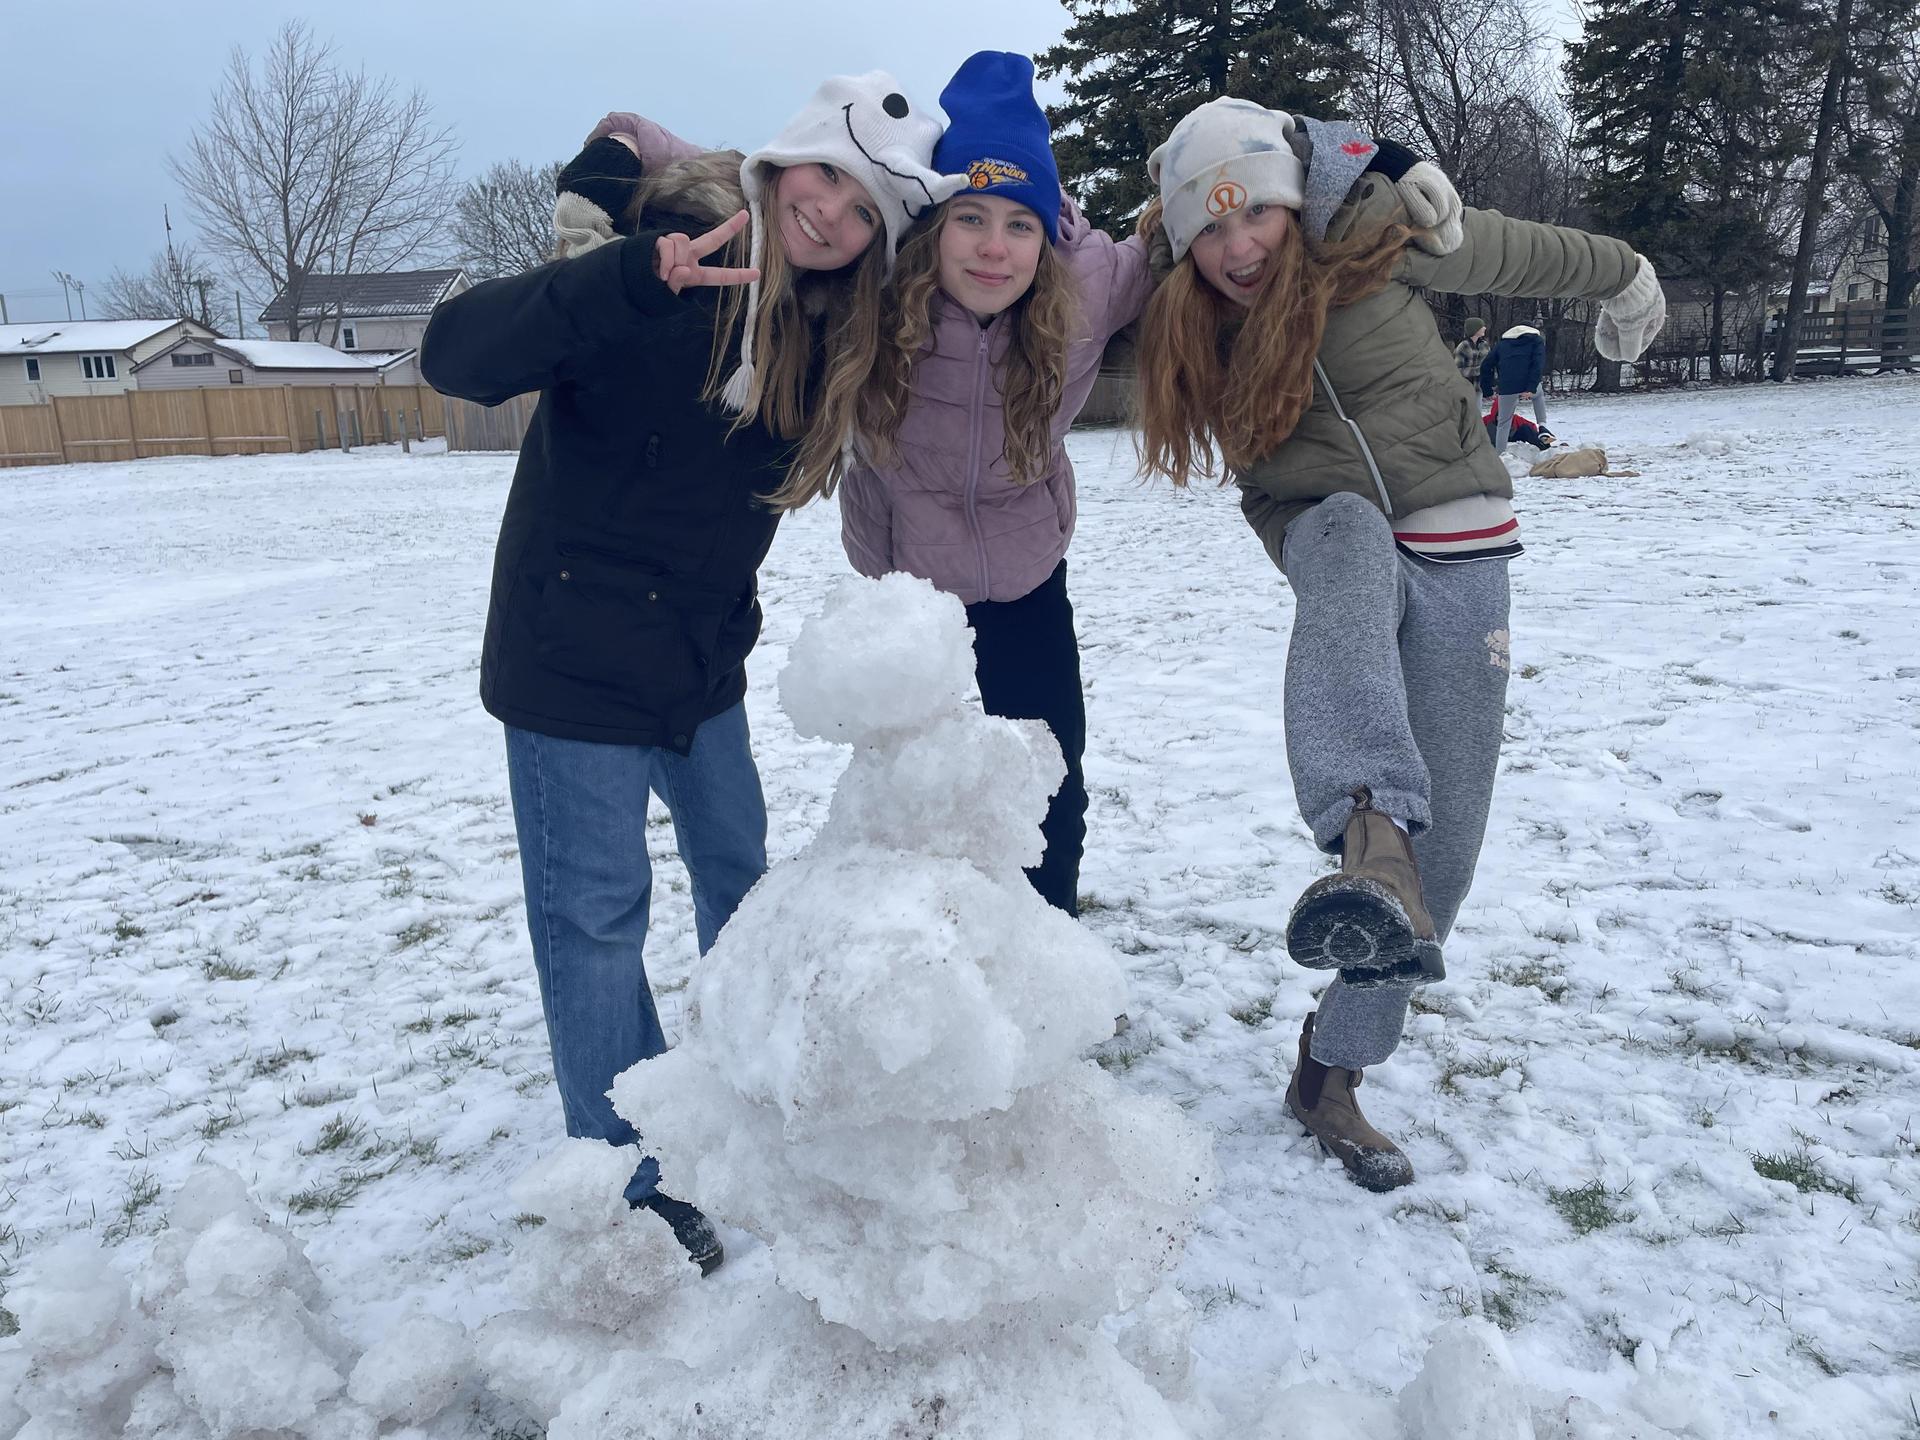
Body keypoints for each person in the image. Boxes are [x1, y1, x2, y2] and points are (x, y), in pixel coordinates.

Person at [602, 63, 1463, 922]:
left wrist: (1381, 156)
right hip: (905, 596)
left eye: (1020, 223)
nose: (992, 246)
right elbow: (762, 177)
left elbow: (1228, 174)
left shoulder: (1095, 282)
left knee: (1051, 789)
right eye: (970, 218)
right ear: (934, 221)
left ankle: (1045, 955)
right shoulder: (877, 270)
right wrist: (619, 148)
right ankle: (925, 965)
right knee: (912, 795)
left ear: (1049, 232)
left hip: (1025, 585)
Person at [420, 74, 960, 1274]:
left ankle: (746, 1080)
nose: (833, 214)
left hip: (698, 670)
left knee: (740, 878)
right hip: (571, 668)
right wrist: (621, 270)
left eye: (867, 208)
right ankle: (630, 1174)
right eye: (826, 176)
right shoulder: (655, 259)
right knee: (597, 922)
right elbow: (455, 357)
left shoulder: (830, 332)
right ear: (784, 163)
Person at [1132, 96, 1664, 1190]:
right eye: (1209, 229)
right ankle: (1366, 827)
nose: (1238, 249)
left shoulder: (1383, 228)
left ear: (1290, 201)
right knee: (1346, 533)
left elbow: (1527, 249)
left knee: (1442, 878)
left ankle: (1331, 1067)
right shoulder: (1181, 312)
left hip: (1464, 541)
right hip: (1328, 532)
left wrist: (1629, 274)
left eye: (1256, 217)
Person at [1480, 320, 1555, 451]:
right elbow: (1537, 364)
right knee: (1538, 396)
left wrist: (1487, 391)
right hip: (1527, 383)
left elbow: (1486, 366)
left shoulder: (1502, 344)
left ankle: (1501, 455)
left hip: (1507, 387)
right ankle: (1542, 426)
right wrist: (1531, 388)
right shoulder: (1536, 341)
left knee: (1503, 423)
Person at [1452, 316, 1488, 388]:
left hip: (1484, 388)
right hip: (1468, 389)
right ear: (1475, 329)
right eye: (1482, 326)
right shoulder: (1463, 346)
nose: (1485, 328)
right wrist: (1479, 370)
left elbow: (1490, 363)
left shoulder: (1484, 345)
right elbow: (1457, 371)